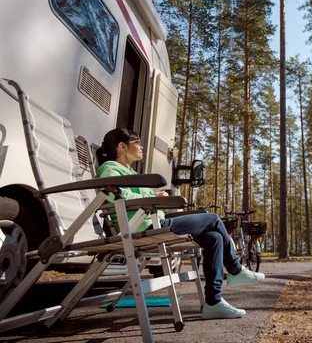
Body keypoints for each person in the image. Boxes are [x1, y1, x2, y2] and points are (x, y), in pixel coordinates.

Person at [96, 128, 264, 319]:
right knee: (213, 219)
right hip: (141, 227)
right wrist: (152, 194)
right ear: (122, 147)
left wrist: (156, 197)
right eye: (138, 142)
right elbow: (116, 197)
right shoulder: (109, 168)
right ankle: (235, 269)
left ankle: (213, 302)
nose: (142, 147)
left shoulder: (128, 171)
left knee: (214, 238)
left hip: (151, 221)